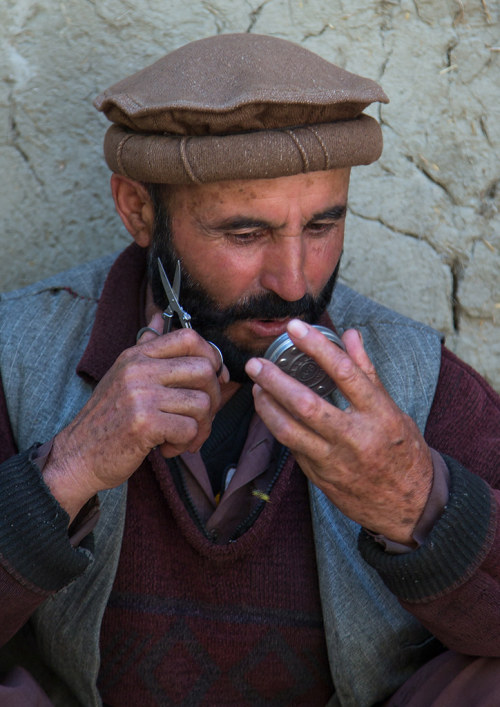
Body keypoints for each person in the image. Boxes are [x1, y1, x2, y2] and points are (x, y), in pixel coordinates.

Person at [0, 33, 499, 707]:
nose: (294, 282)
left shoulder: (410, 372)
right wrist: (67, 470)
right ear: (139, 210)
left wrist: (416, 500)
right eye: (246, 234)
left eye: (322, 226)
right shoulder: (22, 352)